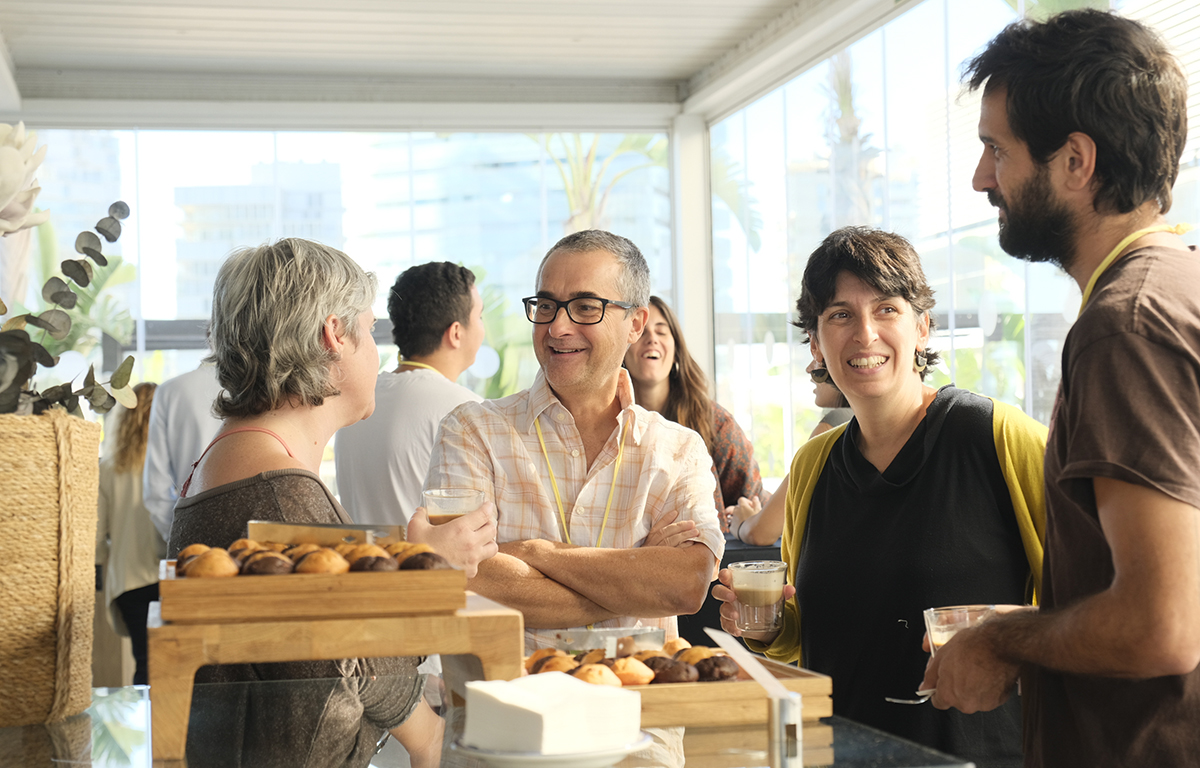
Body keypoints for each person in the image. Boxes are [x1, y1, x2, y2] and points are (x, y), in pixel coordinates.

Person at [923, 11, 1200, 768]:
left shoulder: (1128, 325)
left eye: (995, 150)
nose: (983, 178)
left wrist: (1003, 640)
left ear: (1076, 161)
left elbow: (1162, 624)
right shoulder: (1180, 290)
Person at [711, 226, 1048, 767]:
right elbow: (806, 632)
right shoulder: (813, 466)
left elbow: (1087, 605)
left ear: (922, 327)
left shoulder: (998, 437)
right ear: (816, 342)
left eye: (886, 309)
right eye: (840, 315)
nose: (865, 334)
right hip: (840, 753)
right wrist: (769, 623)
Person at [168, 238, 497, 768]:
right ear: (334, 336)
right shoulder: (278, 490)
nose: (377, 351)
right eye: (369, 331)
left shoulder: (244, 460)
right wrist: (432, 574)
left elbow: (321, 637)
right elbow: (355, 657)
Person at [426, 230, 724, 652]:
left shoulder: (677, 449)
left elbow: (686, 585)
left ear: (634, 324)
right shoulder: (472, 430)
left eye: (586, 307)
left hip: (638, 707)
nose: (557, 327)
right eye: (546, 305)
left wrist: (535, 552)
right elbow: (470, 576)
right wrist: (635, 583)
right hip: (510, 707)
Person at [335, 261, 485, 527]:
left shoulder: (356, 403)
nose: (483, 328)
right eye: (480, 317)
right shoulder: (467, 411)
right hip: (433, 567)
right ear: (456, 333)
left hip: (365, 563)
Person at [623, 295, 767, 520]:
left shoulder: (713, 421)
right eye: (641, 332)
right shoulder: (606, 421)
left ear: (676, 349)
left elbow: (754, 503)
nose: (652, 339)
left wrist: (746, 518)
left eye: (661, 331)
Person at [728, 358, 853, 546]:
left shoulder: (837, 423)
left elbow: (761, 533)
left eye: (818, 360)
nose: (809, 369)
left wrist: (742, 523)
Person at [96, 381, 162, 686]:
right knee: (175, 664)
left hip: (128, 582)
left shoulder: (108, 468)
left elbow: (97, 537)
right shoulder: (169, 465)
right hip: (169, 576)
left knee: (145, 665)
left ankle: (147, 730)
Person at [142, 360, 223, 542]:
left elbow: (156, 489)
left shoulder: (171, 390)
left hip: (192, 532)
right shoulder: (263, 387)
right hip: (252, 536)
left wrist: (179, 536)